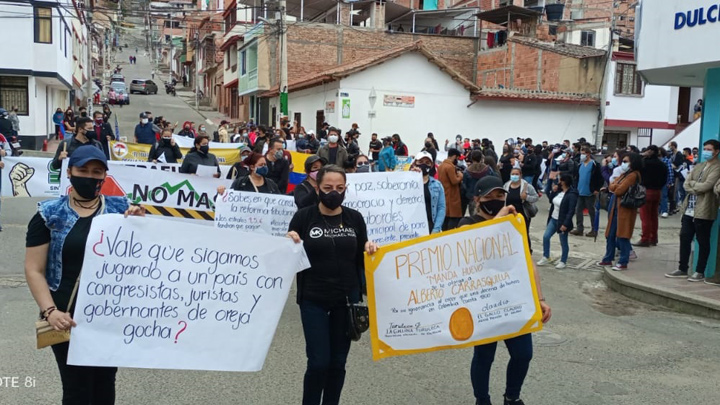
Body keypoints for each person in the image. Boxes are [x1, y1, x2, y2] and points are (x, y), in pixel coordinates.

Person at [24, 146, 144, 404]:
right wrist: (50, 311)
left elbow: (145, 256)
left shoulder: (122, 209)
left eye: (96, 172)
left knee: (104, 385)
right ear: (69, 172)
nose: (89, 177)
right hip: (65, 317)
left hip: (108, 317)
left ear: (104, 176)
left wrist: (141, 223)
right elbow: (34, 269)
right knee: (77, 388)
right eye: (83, 170)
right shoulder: (49, 215)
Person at [286, 165, 378, 405]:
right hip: (313, 299)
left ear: (346, 189)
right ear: (318, 188)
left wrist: (370, 249)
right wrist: (289, 242)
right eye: (328, 188)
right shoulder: (304, 216)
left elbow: (362, 255)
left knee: (338, 363)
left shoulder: (354, 218)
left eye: (339, 188)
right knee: (318, 362)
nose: (334, 192)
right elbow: (288, 259)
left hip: (345, 301)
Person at [457, 175, 552, 405]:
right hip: (484, 303)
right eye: (492, 196)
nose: (499, 199)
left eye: (501, 195)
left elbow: (527, 260)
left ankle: (512, 396)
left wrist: (539, 298)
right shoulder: (467, 224)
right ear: (478, 199)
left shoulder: (514, 225)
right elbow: (474, 248)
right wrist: (500, 217)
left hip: (514, 299)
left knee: (523, 354)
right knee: (484, 356)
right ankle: (482, 399)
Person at [665, 140, 720, 282]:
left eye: (709, 149)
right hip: (688, 208)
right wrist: (695, 185)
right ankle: (682, 268)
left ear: (716, 151)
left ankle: (700, 271)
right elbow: (686, 184)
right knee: (684, 238)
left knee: (703, 240)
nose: (706, 151)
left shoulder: (717, 167)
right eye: (705, 148)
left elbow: (707, 186)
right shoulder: (699, 165)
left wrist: (694, 185)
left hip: (704, 210)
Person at [597, 153, 643, 271]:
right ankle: (608, 258)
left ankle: (623, 261)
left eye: (626, 161)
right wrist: (615, 186)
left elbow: (618, 190)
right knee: (610, 234)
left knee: (623, 235)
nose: (624, 163)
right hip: (616, 206)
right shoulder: (625, 174)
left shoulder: (633, 175)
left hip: (625, 207)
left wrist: (614, 186)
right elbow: (613, 184)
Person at [538, 173, 577, 269]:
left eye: (560, 180)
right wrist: (553, 190)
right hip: (553, 218)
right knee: (546, 237)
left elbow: (571, 210)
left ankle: (563, 260)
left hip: (562, 221)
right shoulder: (559, 191)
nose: (558, 182)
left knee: (563, 241)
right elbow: (551, 200)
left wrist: (565, 223)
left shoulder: (572, 194)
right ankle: (546, 256)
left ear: (564, 182)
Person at [636, 145, 667, 247]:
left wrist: (642, 155)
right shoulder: (662, 164)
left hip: (646, 190)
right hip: (657, 191)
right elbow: (664, 179)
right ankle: (654, 238)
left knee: (645, 217)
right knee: (654, 216)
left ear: (650, 151)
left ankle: (645, 238)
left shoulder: (645, 163)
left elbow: (636, 165)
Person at [569, 147, 603, 238]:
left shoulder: (595, 165)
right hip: (580, 191)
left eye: (583, 153)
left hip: (590, 192)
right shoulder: (580, 165)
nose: (582, 155)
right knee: (578, 210)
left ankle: (594, 229)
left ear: (588, 154)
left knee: (591, 211)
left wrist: (597, 189)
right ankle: (579, 228)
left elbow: (600, 178)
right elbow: (576, 177)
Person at [504, 166, 539, 253]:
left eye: (516, 174)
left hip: (523, 215)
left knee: (524, 234)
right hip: (509, 216)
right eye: (513, 174)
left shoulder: (527, 186)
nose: (514, 176)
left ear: (520, 175)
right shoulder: (506, 185)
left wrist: (526, 197)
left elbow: (536, 197)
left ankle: (527, 252)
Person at [411, 152, 445, 234]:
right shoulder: (408, 183)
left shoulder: (437, 185)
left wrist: (436, 229)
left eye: (427, 163)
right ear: (415, 163)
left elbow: (441, 208)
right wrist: (410, 175)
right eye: (420, 162)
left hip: (431, 227)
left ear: (432, 165)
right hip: (411, 228)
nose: (424, 165)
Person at [438, 149, 464, 230]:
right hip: (452, 196)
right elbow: (454, 181)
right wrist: (460, 176)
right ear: (454, 156)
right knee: (452, 220)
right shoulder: (450, 167)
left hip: (444, 193)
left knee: (445, 220)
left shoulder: (441, 165)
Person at [463, 150, 493, 216]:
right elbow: (492, 181)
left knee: (473, 217)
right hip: (485, 196)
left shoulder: (467, 171)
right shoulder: (488, 169)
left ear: (471, 158)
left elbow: (464, 185)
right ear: (481, 157)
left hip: (472, 197)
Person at [660, 148, 675, 218]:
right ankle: (659, 210)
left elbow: (670, 172)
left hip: (665, 181)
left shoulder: (666, 161)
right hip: (656, 182)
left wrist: (670, 182)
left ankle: (664, 211)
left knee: (664, 196)